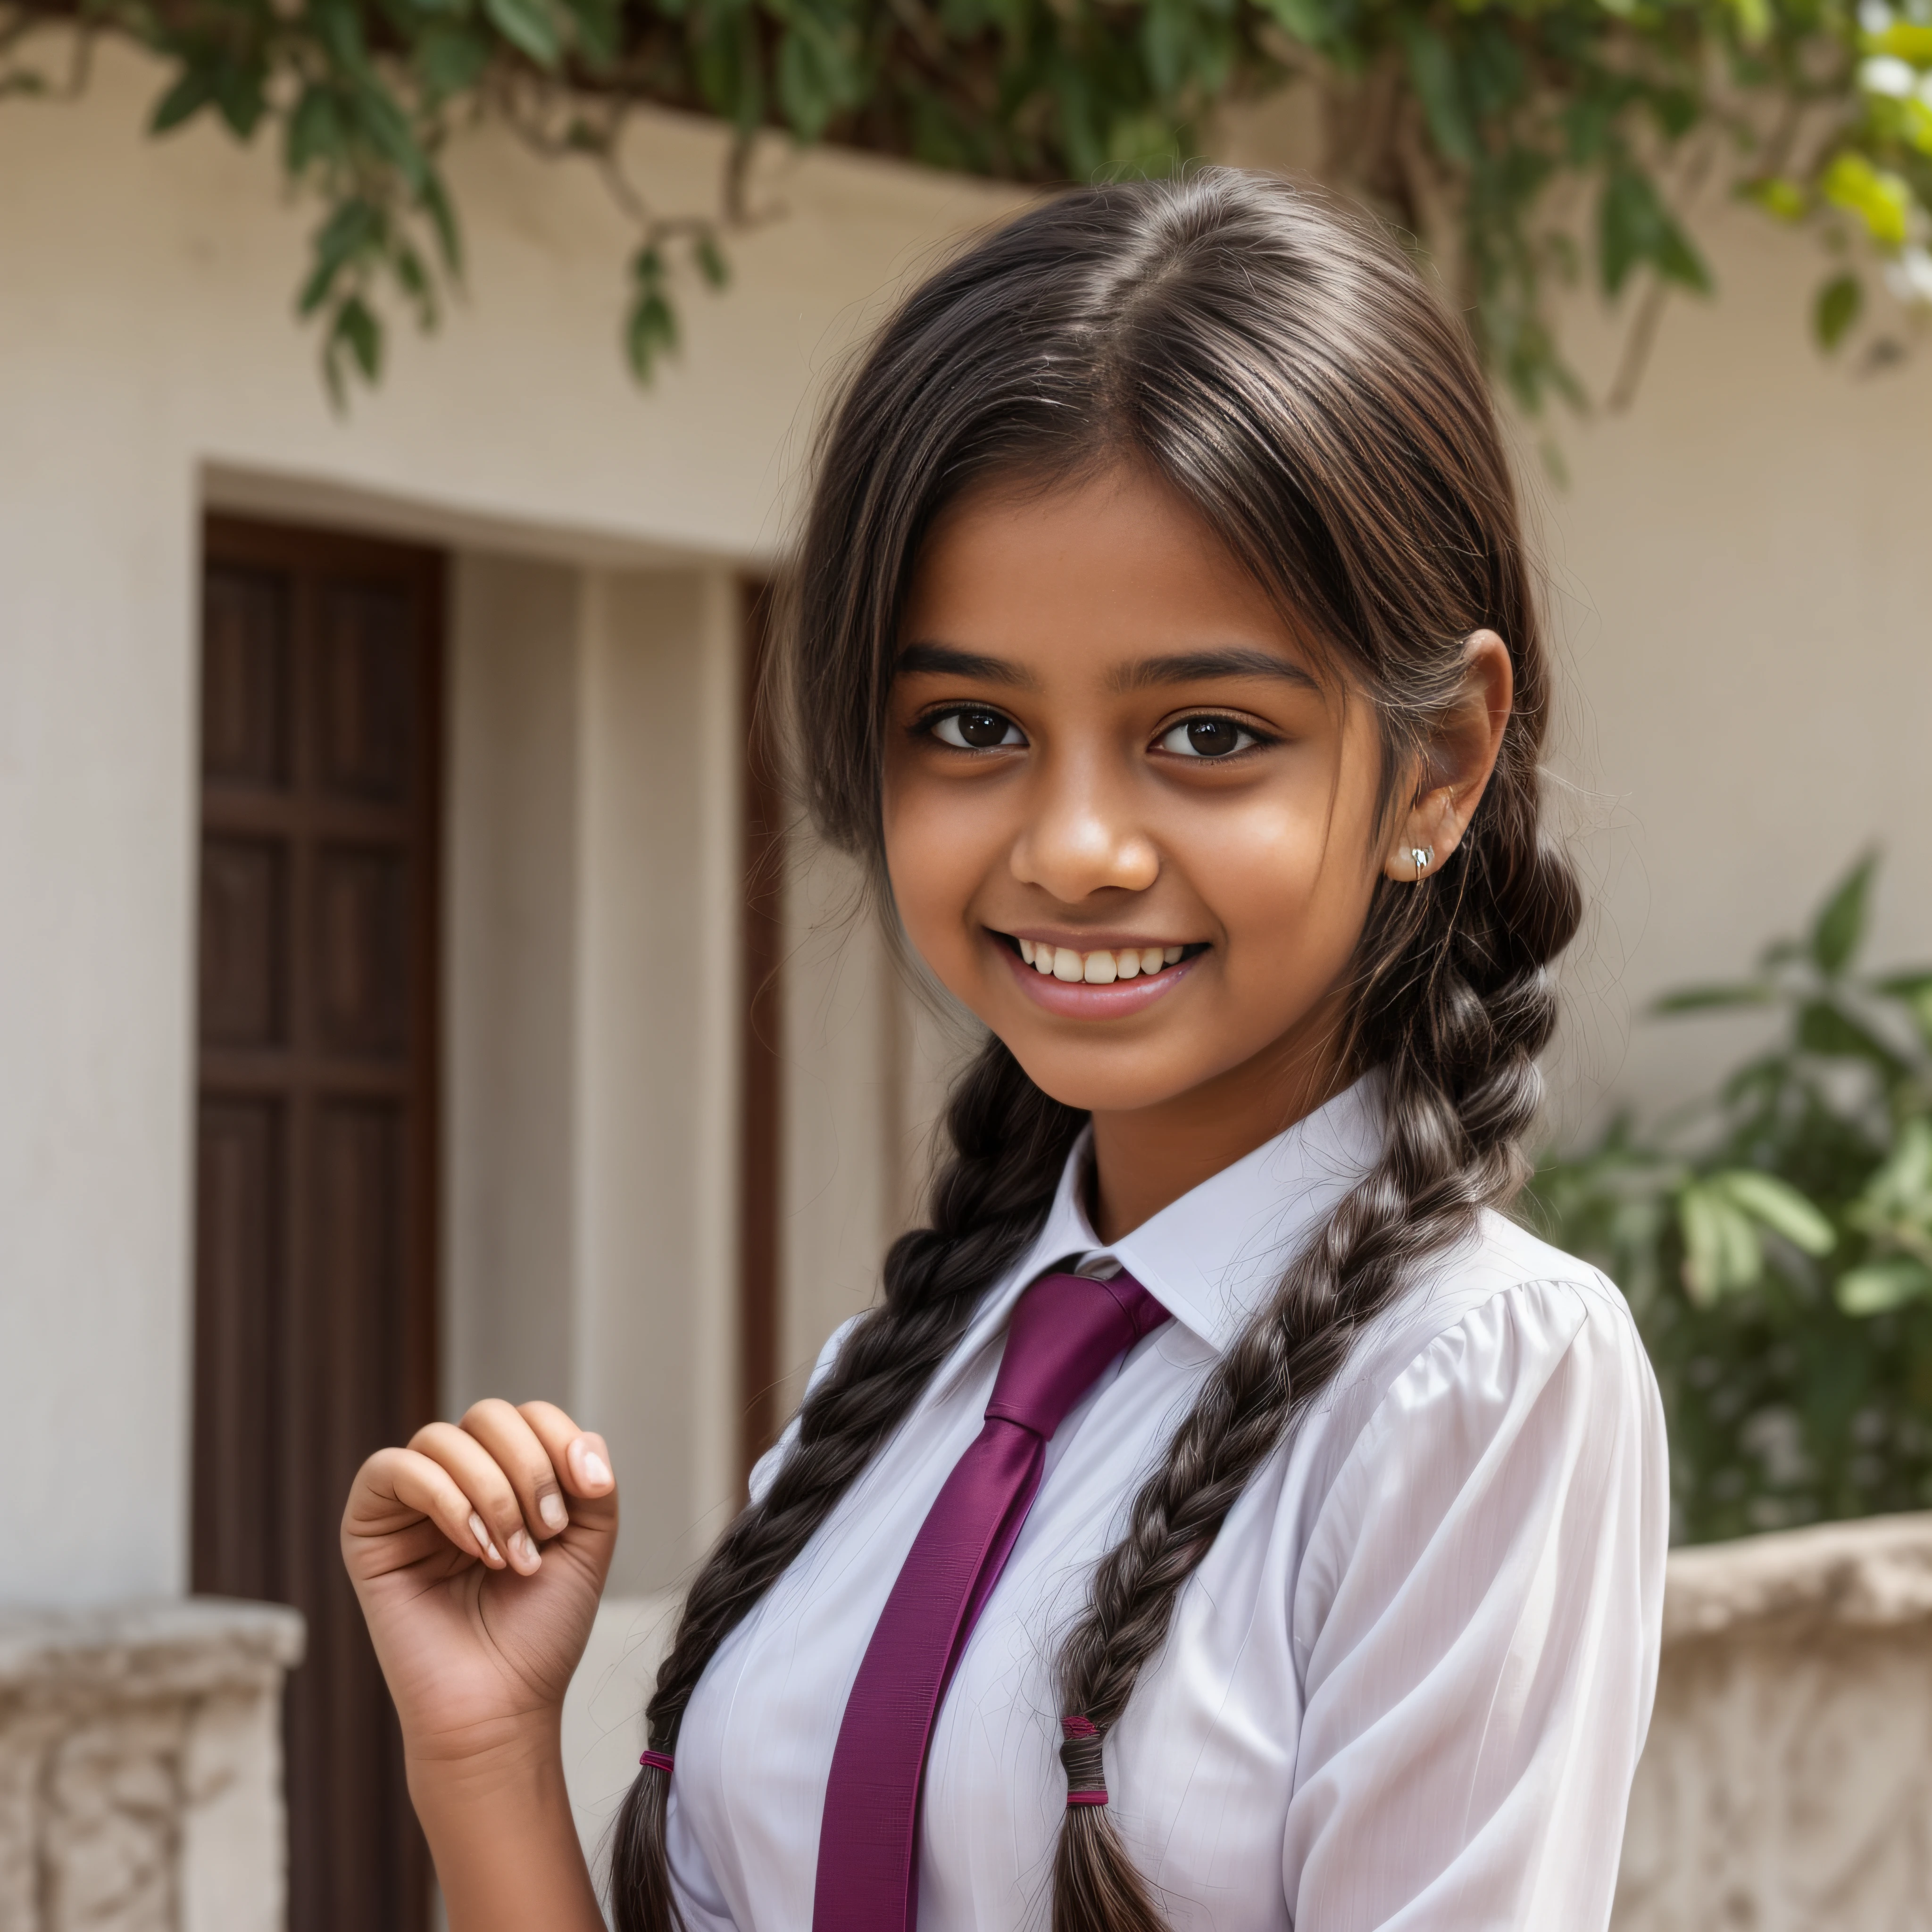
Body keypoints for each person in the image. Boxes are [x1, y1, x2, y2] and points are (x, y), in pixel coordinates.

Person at [342, 168, 1667, 1932]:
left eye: (1206, 733)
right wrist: (487, 1752)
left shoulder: (1477, 1385)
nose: (1074, 848)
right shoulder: (894, 1389)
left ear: (1437, 765)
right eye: (970, 726)